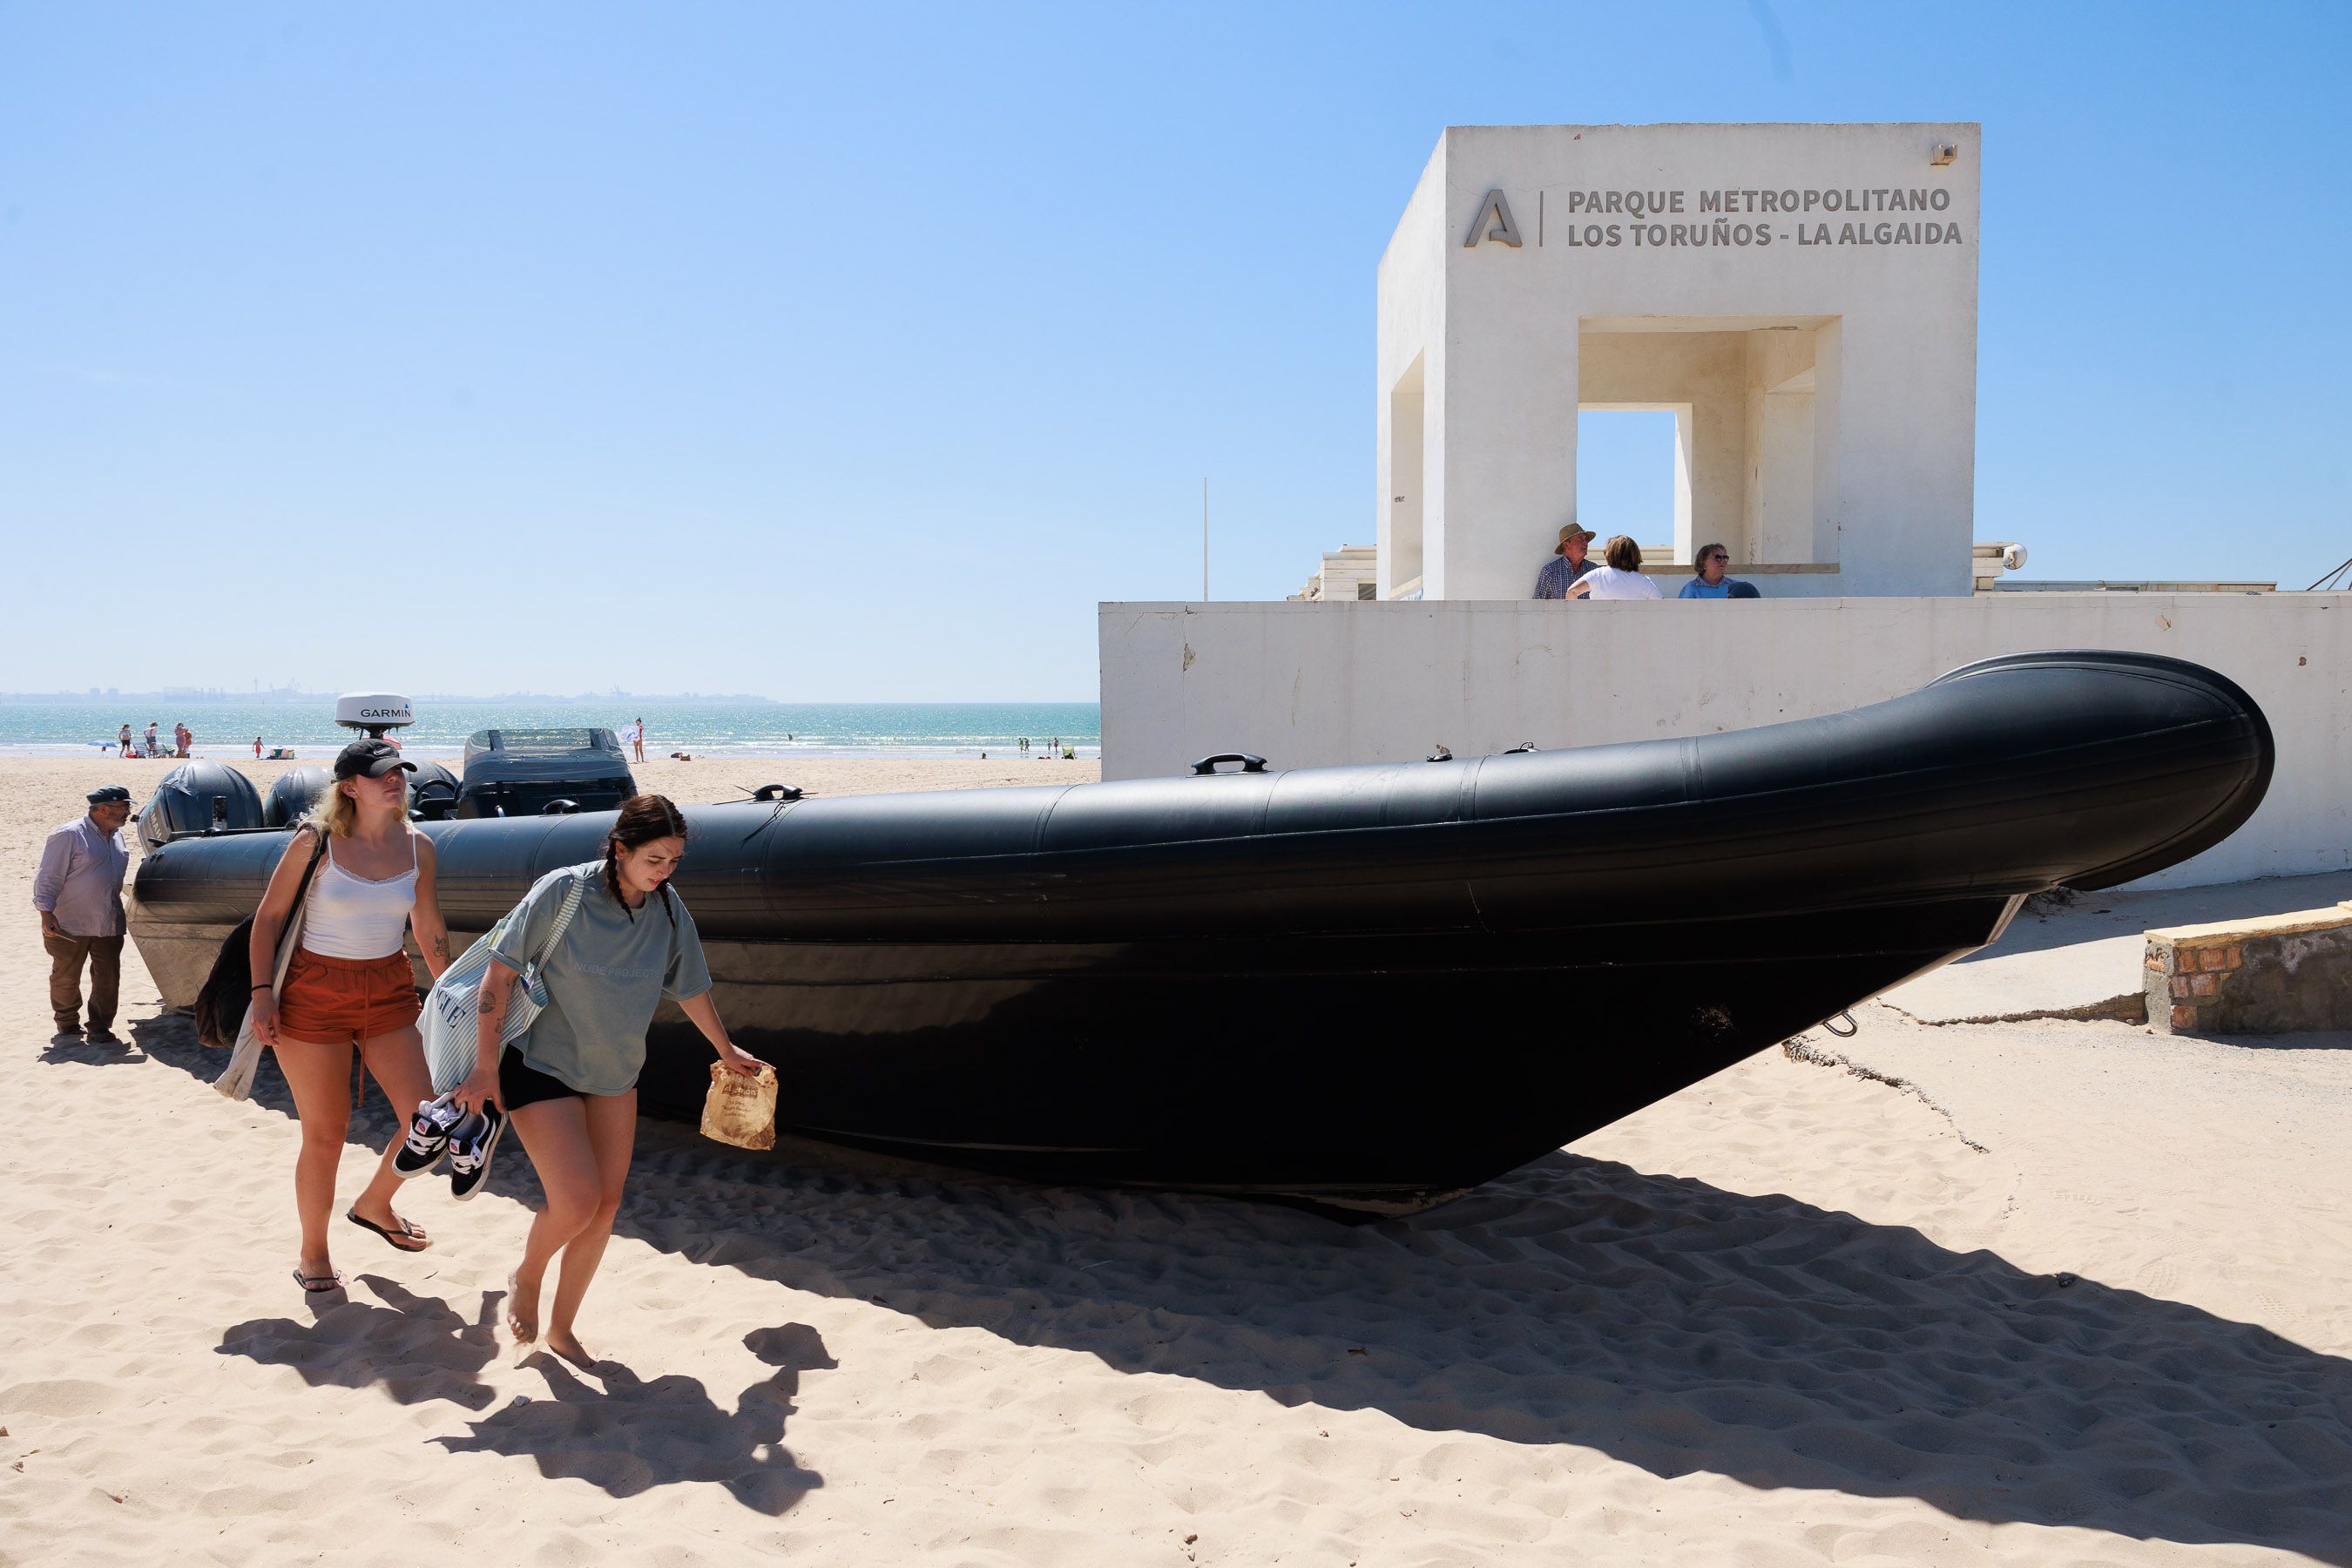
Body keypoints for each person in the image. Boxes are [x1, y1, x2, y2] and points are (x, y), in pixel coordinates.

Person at [457, 794, 764, 1362]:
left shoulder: (669, 911)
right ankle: (528, 1274)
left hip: (615, 1074)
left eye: (673, 860)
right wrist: (482, 1067)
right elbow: (497, 977)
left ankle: (562, 1327)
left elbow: (690, 985)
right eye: (654, 859)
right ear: (620, 849)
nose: (664, 871)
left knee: (606, 1206)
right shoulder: (563, 892)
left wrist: (724, 1048)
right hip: (540, 1065)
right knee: (575, 1202)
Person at [247, 738, 453, 1295]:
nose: (395, 781)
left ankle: (374, 1203)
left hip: (387, 991)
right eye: (381, 774)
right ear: (349, 786)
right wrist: (262, 993)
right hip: (312, 993)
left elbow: (429, 931)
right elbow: (267, 921)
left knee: (426, 1121)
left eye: (399, 773)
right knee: (326, 1133)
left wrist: (454, 992)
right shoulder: (315, 843)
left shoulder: (420, 848)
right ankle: (314, 1252)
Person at [34, 785, 135, 1043]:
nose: (128, 813)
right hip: (70, 922)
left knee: (108, 977)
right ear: (103, 809)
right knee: (66, 975)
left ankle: (100, 1026)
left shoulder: (117, 835)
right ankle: (67, 1023)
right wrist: (46, 913)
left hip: (109, 921)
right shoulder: (69, 835)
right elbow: (48, 876)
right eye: (124, 808)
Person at [1566, 535, 1665, 600]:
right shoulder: (1644, 581)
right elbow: (1662, 606)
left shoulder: (1598, 575)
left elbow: (1572, 591)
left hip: (1598, 630)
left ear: (1611, 555)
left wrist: (1574, 619)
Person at [1533, 525, 1599, 599]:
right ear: (1566, 545)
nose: (1586, 543)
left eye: (1586, 540)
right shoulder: (1550, 571)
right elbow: (1537, 604)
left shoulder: (1593, 570)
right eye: (1580, 540)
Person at [1679, 544, 1761, 599]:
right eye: (1717, 558)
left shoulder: (1736, 587)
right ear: (1703, 563)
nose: (1723, 561)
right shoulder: (1690, 589)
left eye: (1725, 558)